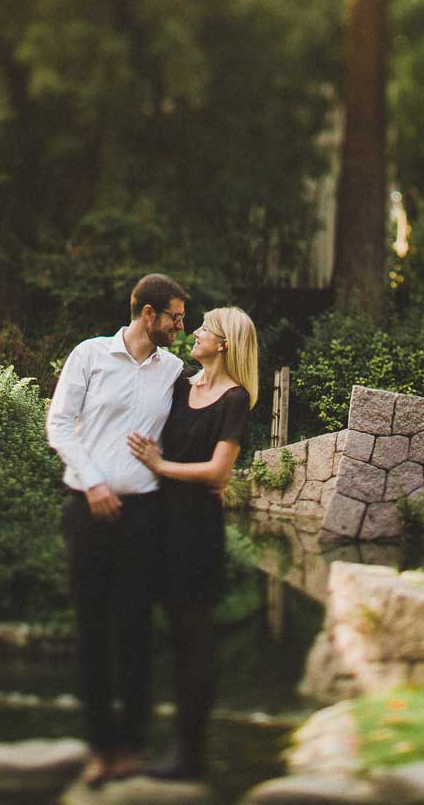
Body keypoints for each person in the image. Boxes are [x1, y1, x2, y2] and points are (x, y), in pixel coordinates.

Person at [45, 273, 189, 788]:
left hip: (144, 515)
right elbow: (59, 424)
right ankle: (100, 746)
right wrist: (94, 483)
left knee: (135, 629)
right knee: (92, 631)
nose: (181, 325)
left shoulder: (174, 370)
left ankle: (132, 745)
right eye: (174, 316)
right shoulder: (88, 355)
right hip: (88, 508)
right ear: (147, 314)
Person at [127, 304, 257, 783]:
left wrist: (161, 467)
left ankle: (191, 753)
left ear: (222, 343)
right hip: (159, 521)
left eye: (204, 328)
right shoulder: (182, 383)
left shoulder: (235, 399)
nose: (194, 332)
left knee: (193, 641)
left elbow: (219, 471)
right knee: (157, 632)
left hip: (196, 530)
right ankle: (147, 739)